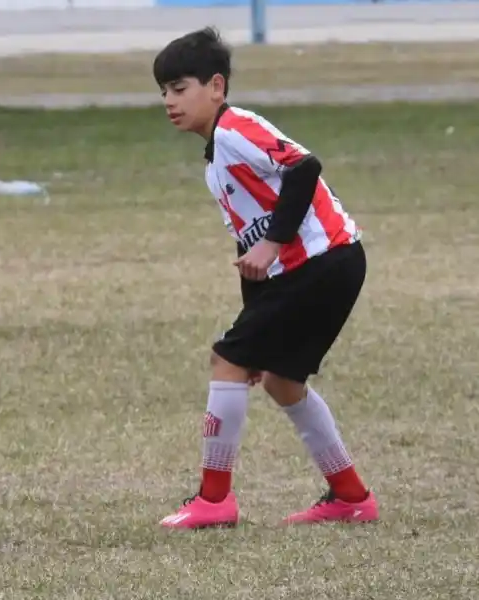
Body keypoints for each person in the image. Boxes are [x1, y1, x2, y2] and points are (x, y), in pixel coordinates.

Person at [153, 28, 379, 529]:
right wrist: (253, 315)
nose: (169, 101)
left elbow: (304, 168)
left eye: (179, 87)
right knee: (278, 379)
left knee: (226, 360)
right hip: (322, 266)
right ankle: (351, 496)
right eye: (163, 91)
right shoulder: (215, 158)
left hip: (324, 260)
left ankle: (214, 502)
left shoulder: (235, 129)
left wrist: (273, 242)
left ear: (216, 86)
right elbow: (248, 248)